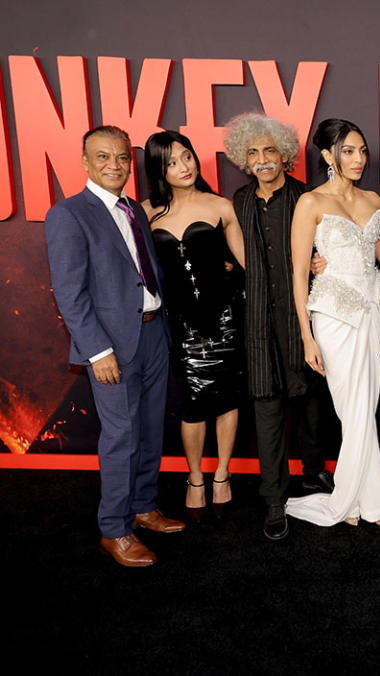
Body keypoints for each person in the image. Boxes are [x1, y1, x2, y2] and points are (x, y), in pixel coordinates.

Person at [44, 125, 184, 567]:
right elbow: (70, 293)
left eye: (122, 158)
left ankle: (143, 506)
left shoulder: (133, 210)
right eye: (103, 157)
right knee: (121, 435)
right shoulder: (68, 214)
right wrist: (97, 351)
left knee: (149, 427)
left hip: (152, 332)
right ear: (85, 162)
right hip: (111, 346)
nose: (114, 165)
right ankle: (114, 529)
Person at [224, 113, 334, 541]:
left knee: (310, 404)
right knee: (267, 407)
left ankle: (314, 474)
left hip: (301, 319)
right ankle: (274, 500)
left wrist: (322, 262)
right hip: (257, 324)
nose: (262, 159)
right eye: (253, 152)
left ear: (285, 155)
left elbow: (331, 248)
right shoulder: (239, 201)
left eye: (270, 150)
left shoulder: (307, 197)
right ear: (243, 159)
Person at [285, 119, 380, 529]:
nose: (358, 159)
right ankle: (374, 505)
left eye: (362, 151)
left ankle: (352, 502)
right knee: (353, 408)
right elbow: (299, 272)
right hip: (332, 314)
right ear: (328, 156)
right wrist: (306, 336)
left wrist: (369, 242)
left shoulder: (373, 198)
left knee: (362, 408)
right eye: (348, 151)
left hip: (373, 311)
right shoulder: (310, 203)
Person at [143, 130, 245, 521]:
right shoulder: (146, 211)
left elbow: (248, 264)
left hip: (225, 320)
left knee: (227, 400)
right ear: (159, 169)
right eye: (170, 162)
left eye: (186, 157)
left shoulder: (221, 205)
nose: (183, 167)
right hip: (182, 326)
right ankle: (195, 477)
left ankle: (222, 473)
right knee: (193, 405)